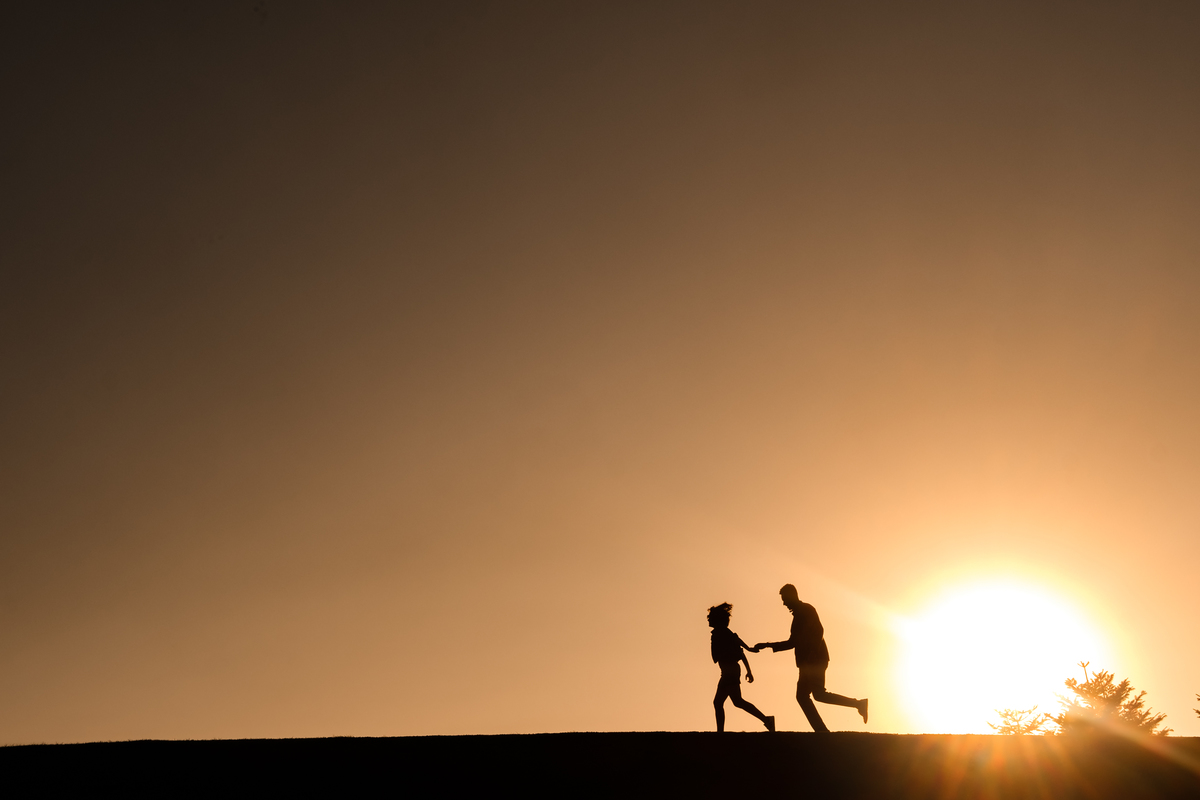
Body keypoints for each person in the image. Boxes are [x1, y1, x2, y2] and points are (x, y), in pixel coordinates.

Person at [755, 584, 868, 733]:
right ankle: (828, 726)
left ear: (791, 596)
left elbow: (819, 631)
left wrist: (813, 652)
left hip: (815, 661)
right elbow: (792, 642)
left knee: (815, 695)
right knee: (806, 696)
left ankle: (853, 707)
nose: (783, 603)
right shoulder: (798, 615)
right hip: (807, 663)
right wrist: (767, 645)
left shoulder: (807, 610)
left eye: (784, 599)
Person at [707, 602, 775, 733]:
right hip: (729, 670)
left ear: (717, 619)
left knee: (719, 702)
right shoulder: (721, 633)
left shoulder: (722, 633)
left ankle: (720, 733)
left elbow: (738, 644)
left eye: (710, 617)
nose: (708, 619)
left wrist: (749, 656)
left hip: (730, 671)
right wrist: (748, 668)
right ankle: (767, 720)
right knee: (737, 702)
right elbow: (740, 647)